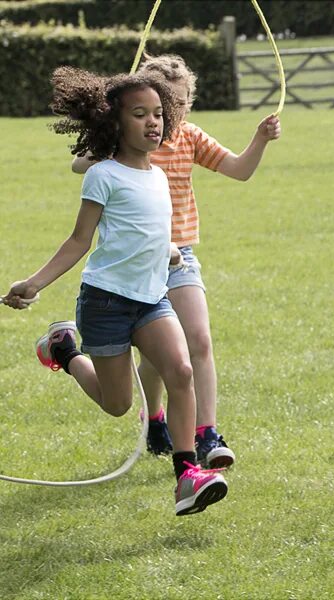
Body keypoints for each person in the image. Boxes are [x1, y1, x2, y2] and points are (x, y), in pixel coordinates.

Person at [3, 67, 230, 516]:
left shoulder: (159, 178)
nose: (153, 122)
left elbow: (147, 229)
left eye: (159, 114)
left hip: (151, 299)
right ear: (114, 122)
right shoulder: (103, 175)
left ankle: (187, 474)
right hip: (106, 302)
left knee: (181, 372)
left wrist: (167, 250)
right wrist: (33, 283)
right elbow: (79, 241)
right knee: (118, 404)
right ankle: (64, 349)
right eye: (139, 114)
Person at [72, 54, 282, 468]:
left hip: (178, 254)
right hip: (134, 262)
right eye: (167, 103)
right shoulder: (127, 144)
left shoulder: (189, 136)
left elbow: (239, 170)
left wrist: (259, 138)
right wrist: (103, 137)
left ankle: (207, 435)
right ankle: (155, 418)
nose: (174, 112)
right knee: (154, 358)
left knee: (197, 342)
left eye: (182, 103)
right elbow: (80, 164)